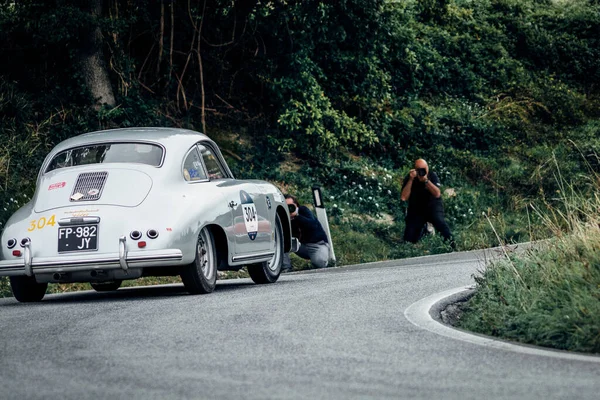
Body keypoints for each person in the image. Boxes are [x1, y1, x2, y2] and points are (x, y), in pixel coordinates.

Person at [400, 158, 455, 248]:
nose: (421, 172)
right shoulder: (410, 177)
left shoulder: (432, 175)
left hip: (432, 205)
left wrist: (426, 181)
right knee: (409, 238)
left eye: (423, 169)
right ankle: (424, 231)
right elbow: (403, 197)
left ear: (427, 168)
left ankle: (452, 245)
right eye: (418, 169)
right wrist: (410, 180)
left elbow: (437, 194)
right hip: (417, 208)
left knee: (440, 222)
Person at [282, 194, 330, 271]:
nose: (289, 209)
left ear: (296, 205)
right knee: (282, 241)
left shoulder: (303, 210)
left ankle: (322, 259)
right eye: (285, 206)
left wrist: (297, 216)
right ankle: (286, 268)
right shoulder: (283, 217)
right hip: (300, 246)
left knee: (320, 263)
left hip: (317, 244)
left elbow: (312, 225)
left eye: (290, 206)